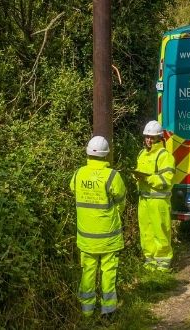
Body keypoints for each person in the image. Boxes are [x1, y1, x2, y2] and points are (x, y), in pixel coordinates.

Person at [70, 135, 126, 317]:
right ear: (106, 155)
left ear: (88, 153)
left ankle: (86, 311)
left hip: (86, 237)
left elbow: (73, 189)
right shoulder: (112, 176)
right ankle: (108, 311)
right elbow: (120, 200)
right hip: (108, 237)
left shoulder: (79, 174)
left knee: (87, 272)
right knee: (108, 272)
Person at [134, 120, 175, 271]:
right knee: (146, 232)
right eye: (147, 137)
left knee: (160, 231)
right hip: (144, 199)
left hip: (159, 201)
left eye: (152, 137)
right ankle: (150, 260)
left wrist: (147, 178)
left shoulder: (164, 156)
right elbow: (140, 172)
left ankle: (163, 262)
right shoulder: (141, 154)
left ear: (159, 138)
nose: (149, 140)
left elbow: (166, 180)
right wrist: (136, 176)